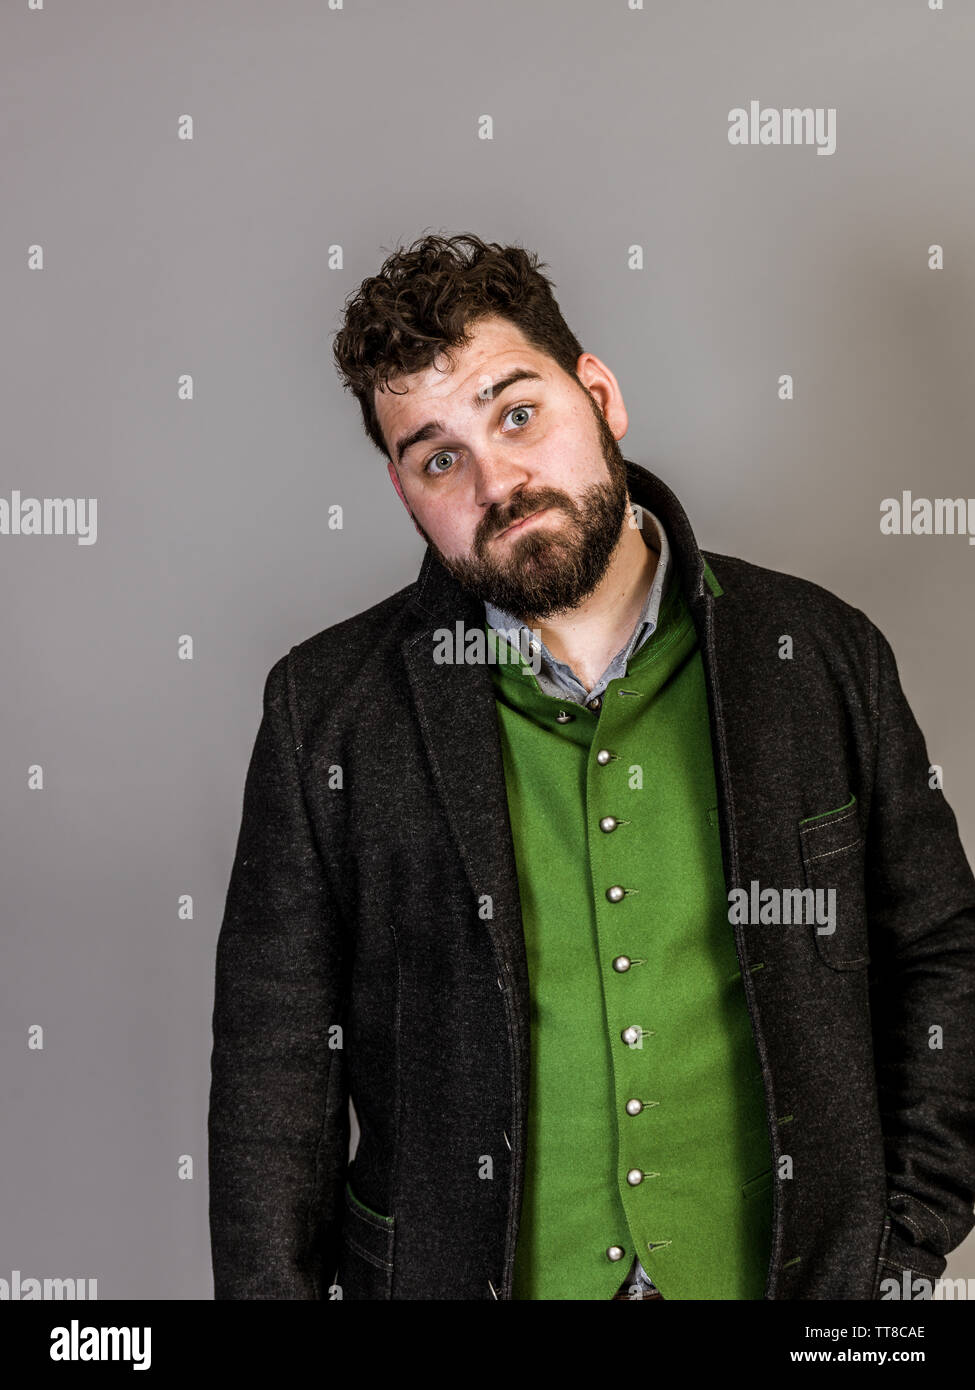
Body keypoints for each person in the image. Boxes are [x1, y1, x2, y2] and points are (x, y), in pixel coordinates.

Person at [207, 232, 975, 1300]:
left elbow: (944, 955)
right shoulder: (325, 713)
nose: (499, 482)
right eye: (440, 458)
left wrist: (903, 1250)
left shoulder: (819, 652)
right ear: (402, 490)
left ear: (600, 394)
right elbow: (272, 1076)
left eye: (518, 414)